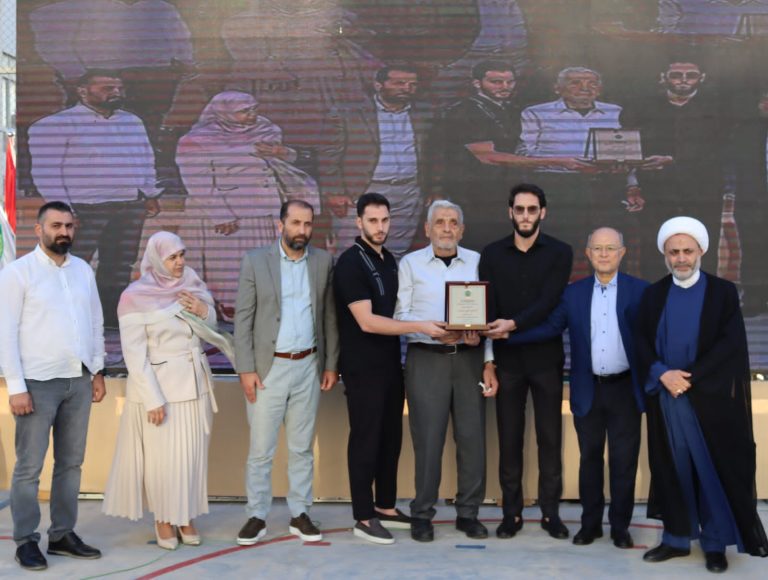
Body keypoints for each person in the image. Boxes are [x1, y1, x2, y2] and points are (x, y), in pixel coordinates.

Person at [635, 216, 768, 572]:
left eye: (687, 251)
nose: (681, 258)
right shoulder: (653, 295)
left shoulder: (723, 293)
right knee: (673, 469)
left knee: (710, 471)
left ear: (701, 252)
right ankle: (676, 539)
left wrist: (688, 379)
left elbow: (729, 345)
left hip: (709, 401)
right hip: (667, 400)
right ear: (665, 255)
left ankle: (714, 544)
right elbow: (641, 342)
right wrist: (663, 374)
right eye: (674, 252)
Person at [507, 227, 648, 549]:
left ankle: (620, 528)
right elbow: (550, 327)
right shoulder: (574, 293)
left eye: (610, 248)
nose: (603, 254)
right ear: (587, 253)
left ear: (622, 253)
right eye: (597, 248)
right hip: (589, 390)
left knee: (624, 463)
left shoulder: (640, 291)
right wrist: (506, 336)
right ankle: (590, 525)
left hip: (625, 390)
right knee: (590, 460)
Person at [102, 231, 233, 550]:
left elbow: (211, 326)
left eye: (181, 255)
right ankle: (163, 518)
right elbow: (135, 355)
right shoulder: (134, 297)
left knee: (191, 457)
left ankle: (185, 516)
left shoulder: (191, 282)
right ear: (157, 259)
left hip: (196, 385)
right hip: (162, 390)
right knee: (163, 459)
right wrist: (152, 399)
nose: (179, 262)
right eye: (172, 257)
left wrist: (203, 310)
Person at [333, 193, 447, 544]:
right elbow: (367, 321)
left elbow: (400, 310)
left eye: (384, 220)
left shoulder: (388, 260)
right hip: (362, 367)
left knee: (390, 438)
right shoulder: (350, 263)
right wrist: (422, 327)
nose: (380, 227)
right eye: (372, 221)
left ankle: (384, 506)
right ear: (359, 222)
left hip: (390, 364)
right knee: (366, 439)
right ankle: (363, 516)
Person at [0, 201, 105, 571]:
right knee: (29, 468)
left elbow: (95, 321)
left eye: (69, 226)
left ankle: (61, 535)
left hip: (78, 380)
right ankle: (25, 540)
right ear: (39, 229)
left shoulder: (83, 271)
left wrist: (98, 370)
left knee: (71, 464)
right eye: (56, 225)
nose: (64, 232)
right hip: (36, 385)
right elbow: (5, 333)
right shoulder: (17, 273)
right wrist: (16, 386)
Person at [234, 199, 339, 545]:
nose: (302, 231)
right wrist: (245, 369)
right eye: (295, 223)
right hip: (268, 370)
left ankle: (300, 513)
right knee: (260, 450)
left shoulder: (322, 261)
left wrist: (330, 364)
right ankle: (256, 515)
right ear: (280, 225)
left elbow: (329, 316)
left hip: (308, 366)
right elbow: (243, 320)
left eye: (307, 224)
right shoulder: (255, 261)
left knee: (301, 448)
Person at [395, 200, 498, 542]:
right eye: (440, 222)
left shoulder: (478, 262)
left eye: (453, 222)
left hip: (469, 359)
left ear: (462, 230)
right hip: (427, 359)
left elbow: (488, 315)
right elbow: (400, 315)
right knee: (427, 441)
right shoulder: (410, 264)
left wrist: (486, 356)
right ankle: (422, 514)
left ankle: (468, 513)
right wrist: (431, 329)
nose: (447, 228)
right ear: (427, 229)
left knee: (472, 439)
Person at [27, 69, 160, 327]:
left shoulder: (132, 121)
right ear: (82, 91)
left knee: (120, 262)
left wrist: (150, 193)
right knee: (71, 263)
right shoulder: (54, 125)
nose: (116, 93)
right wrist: (63, 211)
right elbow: (46, 172)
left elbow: (145, 159)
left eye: (119, 88)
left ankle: (109, 317)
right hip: (83, 208)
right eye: (107, 88)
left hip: (129, 205)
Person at [479, 183, 572, 540]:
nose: (526, 216)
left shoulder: (560, 253)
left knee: (550, 438)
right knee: (509, 439)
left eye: (532, 209)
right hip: (507, 362)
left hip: (547, 360)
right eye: (519, 209)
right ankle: (511, 514)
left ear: (542, 212)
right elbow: (487, 306)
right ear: (510, 212)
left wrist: (512, 325)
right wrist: (486, 336)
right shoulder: (492, 254)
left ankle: (551, 514)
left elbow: (549, 301)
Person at [176, 90, 320, 318]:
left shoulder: (266, 129)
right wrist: (220, 214)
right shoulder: (197, 140)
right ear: (223, 113)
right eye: (244, 111)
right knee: (231, 266)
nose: (252, 115)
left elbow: (282, 164)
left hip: (266, 209)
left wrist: (283, 152)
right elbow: (197, 181)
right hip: (230, 214)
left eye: (254, 109)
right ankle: (233, 311)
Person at [517, 67, 631, 272]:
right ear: (557, 88)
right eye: (575, 83)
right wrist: (563, 162)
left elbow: (626, 151)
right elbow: (523, 155)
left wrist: (631, 184)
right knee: (557, 249)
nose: (585, 88)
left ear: (600, 89)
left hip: (604, 187)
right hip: (558, 188)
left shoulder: (616, 112)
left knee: (606, 248)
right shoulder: (536, 113)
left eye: (592, 83)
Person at [623, 60, 728, 278]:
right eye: (676, 75)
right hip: (656, 188)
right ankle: (656, 293)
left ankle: (702, 293)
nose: (683, 80)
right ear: (663, 77)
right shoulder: (644, 108)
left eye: (691, 75)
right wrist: (633, 183)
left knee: (702, 243)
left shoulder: (716, 109)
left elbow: (720, 151)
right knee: (654, 244)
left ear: (702, 78)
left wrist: (674, 160)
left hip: (703, 189)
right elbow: (630, 146)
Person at [322, 65, 436, 258]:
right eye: (399, 83)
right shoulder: (348, 113)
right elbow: (328, 155)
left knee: (396, 252)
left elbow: (434, 153)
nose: (407, 88)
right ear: (378, 85)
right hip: (362, 190)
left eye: (413, 84)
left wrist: (433, 188)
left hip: (408, 192)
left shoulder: (425, 113)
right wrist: (333, 192)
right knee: (351, 252)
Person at [438, 60, 526, 249]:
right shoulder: (464, 111)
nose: (505, 87)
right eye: (496, 82)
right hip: (474, 194)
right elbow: (488, 156)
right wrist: (557, 162)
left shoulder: (512, 109)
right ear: (477, 83)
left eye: (510, 82)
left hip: (504, 190)